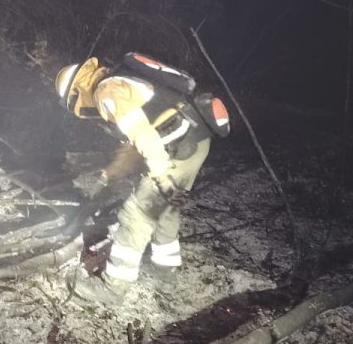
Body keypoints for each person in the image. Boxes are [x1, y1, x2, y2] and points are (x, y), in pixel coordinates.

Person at [54, 53, 226, 304]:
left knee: (136, 215)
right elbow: (134, 144)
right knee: (166, 209)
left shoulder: (107, 92)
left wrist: (162, 175)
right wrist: (110, 174)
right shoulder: (120, 81)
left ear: (76, 92)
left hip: (176, 150)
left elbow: (143, 135)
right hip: (195, 142)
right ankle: (166, 272)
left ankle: (113, 288)